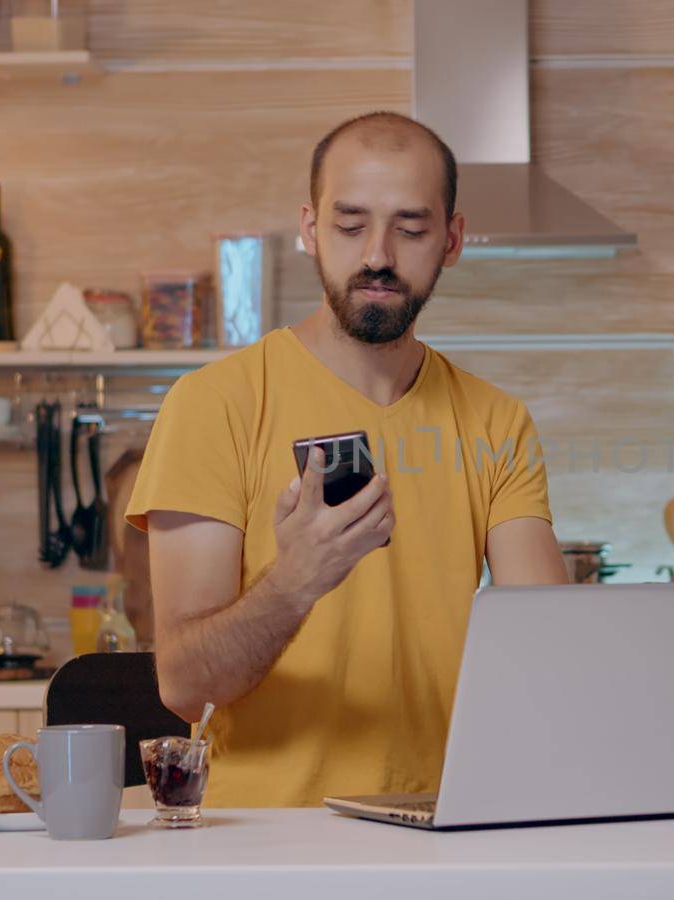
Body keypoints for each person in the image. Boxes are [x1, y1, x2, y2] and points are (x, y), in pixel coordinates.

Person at [125, 111, 570, 808]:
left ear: (452, 239)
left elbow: (550, 655)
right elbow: (185, 683)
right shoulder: (216, 404)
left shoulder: (496, 422)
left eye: (411, 228)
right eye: (351, 224)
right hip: (269, 844)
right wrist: (297, 580)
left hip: (448, 826)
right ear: (310, 228)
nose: (378, 256)